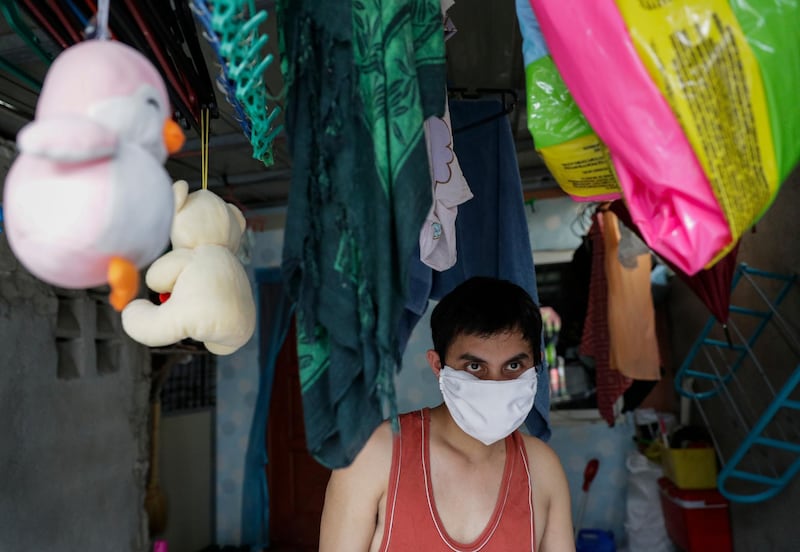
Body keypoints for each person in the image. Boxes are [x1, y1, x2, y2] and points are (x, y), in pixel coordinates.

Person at [319, 277, 575, 551]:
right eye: (475, 367)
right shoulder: (374, 456)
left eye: (513, 365)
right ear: (438, 365)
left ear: (536, 363)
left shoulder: (542, 469)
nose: (495, 385)